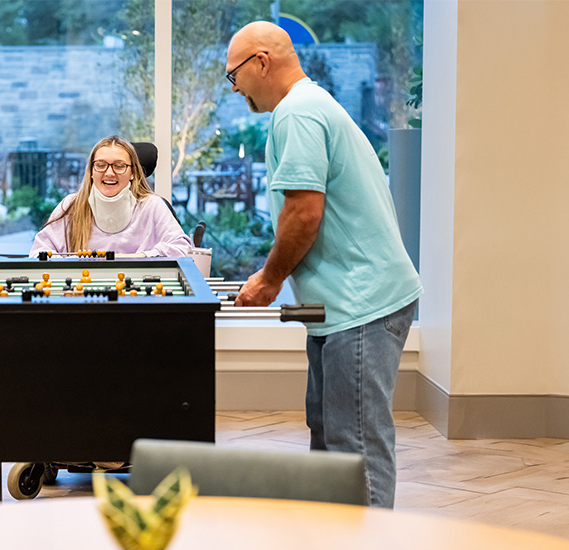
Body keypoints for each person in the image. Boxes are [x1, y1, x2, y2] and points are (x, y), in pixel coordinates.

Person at [227, 22, 423, 508]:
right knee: (329, 436)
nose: (235, 90)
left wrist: (270, 280)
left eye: (234, 77)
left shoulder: (297, 113)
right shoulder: (311, 104)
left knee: (353, 445)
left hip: (362, 302)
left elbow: (303, 213)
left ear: (261, 62)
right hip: (345, 304)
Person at [29, 136, 193, 258]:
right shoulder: (71, 205)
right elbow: (38, 253)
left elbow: (182, 249)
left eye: (119, 166)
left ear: (133, 172)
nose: (109, 173)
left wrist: (136, 258)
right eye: (100, 165)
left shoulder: (152, 206)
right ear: (91, 172)